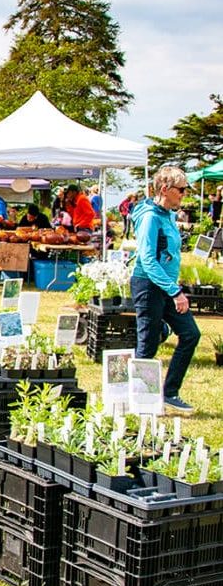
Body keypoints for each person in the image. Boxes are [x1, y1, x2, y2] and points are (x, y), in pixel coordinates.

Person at [130, 165, 200, 416]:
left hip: (167, 286)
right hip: (148, 286)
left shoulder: (169, 215)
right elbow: (148, 260)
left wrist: (174, 287)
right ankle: (140, 403)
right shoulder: (150, 217)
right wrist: (175, 292)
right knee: (147, 346)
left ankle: (169, 392)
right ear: (164, 189)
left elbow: (169, 254)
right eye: (180, 189)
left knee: (190, 334)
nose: (184, 193)